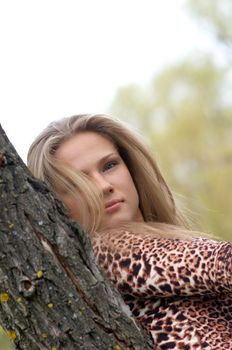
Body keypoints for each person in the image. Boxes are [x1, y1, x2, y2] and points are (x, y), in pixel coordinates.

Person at [27, 114, 232, 350]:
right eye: (76, 183)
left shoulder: (155, 244)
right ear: (55, 204)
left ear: (131, 166)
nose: (103, 187)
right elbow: (220, 264)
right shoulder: (106, 251)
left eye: (109, 165)